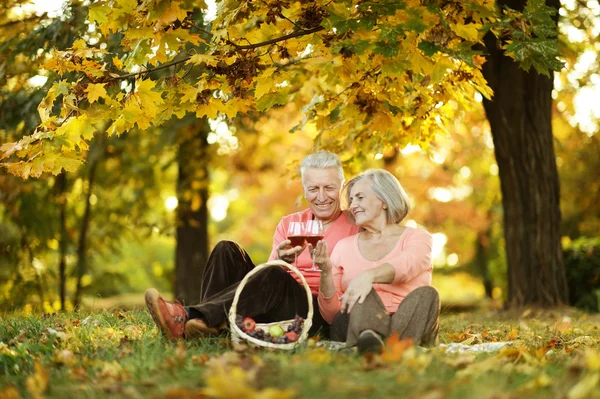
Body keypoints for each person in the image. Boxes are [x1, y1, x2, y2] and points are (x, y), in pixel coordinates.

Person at [144, 151, 360, 341]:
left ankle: (189, 316)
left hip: (316, 310)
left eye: (329, 188)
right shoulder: (289, 223)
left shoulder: (357, 226)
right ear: (304, 189)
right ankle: (208, 327)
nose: (321, 197)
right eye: (313, 188)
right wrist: (280, 260)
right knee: (226, 249)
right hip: (277, 304)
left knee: (274, 273)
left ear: (341, 187)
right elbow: (265, 280)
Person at [314, 169, 440, 354]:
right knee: (362, 295)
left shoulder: (418, 238)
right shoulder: (343, 246)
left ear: (383, 200)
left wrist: (369, 275)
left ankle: (384, 344)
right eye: (351, 201)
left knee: (428, 295)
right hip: (358, 321)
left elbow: (408, 264)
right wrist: (325, 272)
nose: (353, 205)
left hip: (405, 319)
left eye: (360, 197)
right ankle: (372, 340)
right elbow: (331, 314)